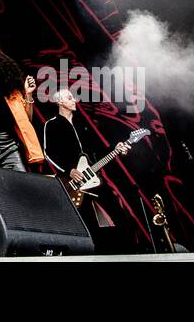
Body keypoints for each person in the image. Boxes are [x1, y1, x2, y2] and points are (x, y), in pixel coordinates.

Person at [41, 89, 131, 245]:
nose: (74, 100)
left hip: (92, 177)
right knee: (88, 223)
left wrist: (116, 149)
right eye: (69, 98)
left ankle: (130, 250)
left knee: (119, 214)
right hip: (72, 182)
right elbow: (49, 154)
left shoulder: (83, 124)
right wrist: (68, 170)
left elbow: (98, 149)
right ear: (60, 102)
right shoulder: (52, 125)